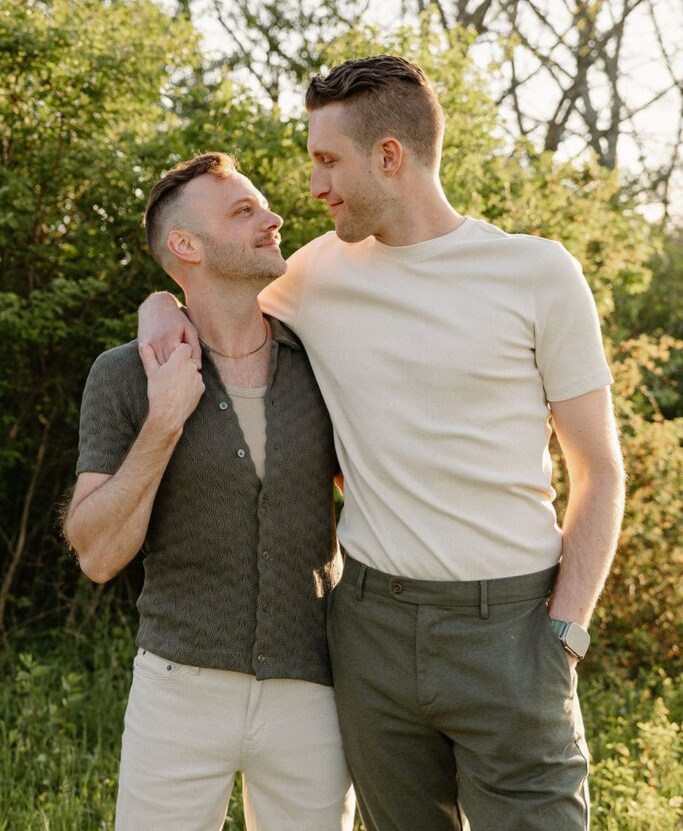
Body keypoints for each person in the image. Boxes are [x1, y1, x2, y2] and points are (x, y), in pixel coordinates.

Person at [139, 56, 626, 831]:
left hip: (512, 627)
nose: (313, 186)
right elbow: (212, 290)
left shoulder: (535, 273)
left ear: (389, 156)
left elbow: (598, 469)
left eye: (327, 160)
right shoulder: (315, 275)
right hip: (368, 629)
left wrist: (563, 631)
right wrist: (156, 308)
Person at [65, 153, 355, 831]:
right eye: (243, 211)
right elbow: (98, 554)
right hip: (178, 688)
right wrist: (166, 416)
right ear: (186, 246)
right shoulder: (125, 376)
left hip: (311, 689)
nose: (271, 217)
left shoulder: (324, 359)